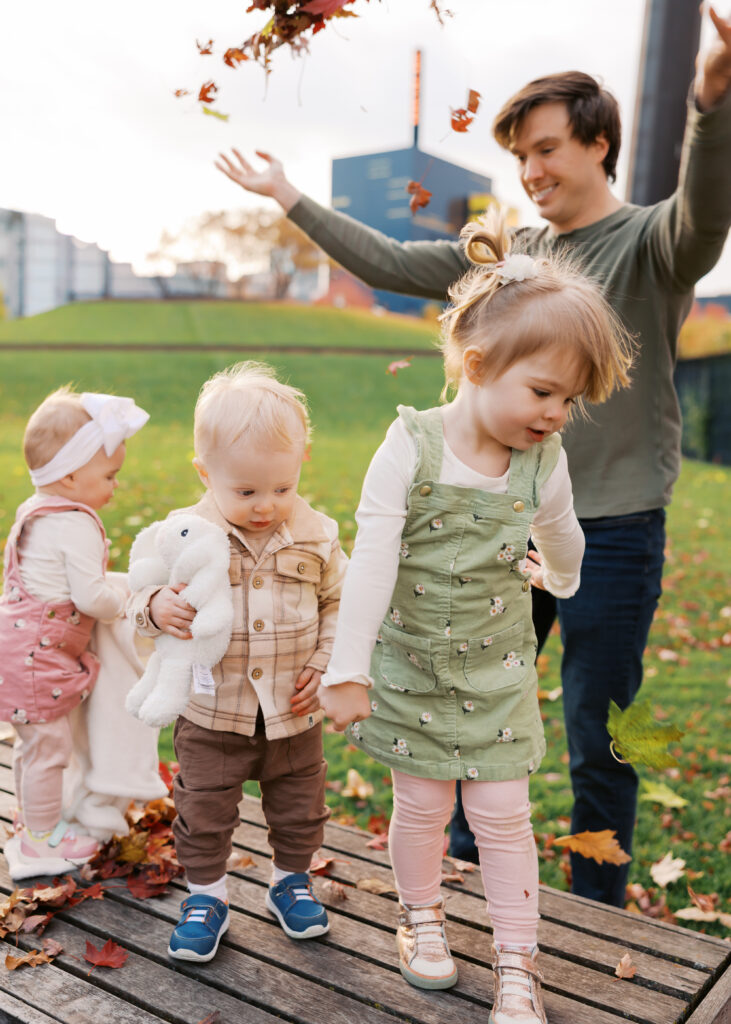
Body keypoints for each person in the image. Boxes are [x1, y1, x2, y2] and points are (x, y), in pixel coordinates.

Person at [215, 10, 731, 906]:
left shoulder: (650, 242)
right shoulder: (513, 258)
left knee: (598, 730)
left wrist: (710, 102)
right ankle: (454, 882)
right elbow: (391, 260)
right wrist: (290, 197)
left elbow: (706, 213)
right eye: (518, 156)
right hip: (494, 526)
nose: (529, 172)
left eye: (544, 149)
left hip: (610, 531)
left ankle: (595, 912)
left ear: (598, 144)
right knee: (466, 706)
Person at [316, 210, 632, 1023]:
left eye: (568, 399)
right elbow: (373, 558)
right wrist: (346, 670)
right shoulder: (410, 448)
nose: (556, 413)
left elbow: (563, 535)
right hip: (411, 664)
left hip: (494, 675)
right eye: (542, 392)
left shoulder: (543, 461)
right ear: (478, 362)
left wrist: (556, 578)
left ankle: (516, 964)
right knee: (421, 807)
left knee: (502, 815)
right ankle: (420, 917)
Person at [128, 362, 347, 964]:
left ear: (300, 463)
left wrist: (326, 662)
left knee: (300, 807)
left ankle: (290, 883)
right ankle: (207, 898)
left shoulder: (317, 536)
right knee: (203, 811)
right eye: (246, 492)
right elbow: (137, 594)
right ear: (205, 473)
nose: (266, 506)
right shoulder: (181, 536)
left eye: (282, 487)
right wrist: (154, 606)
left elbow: (339, 603)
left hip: (291, 710)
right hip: (211, 710)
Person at [0, 387, 149, 877]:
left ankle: (33, 822)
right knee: (51, 749)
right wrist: (126, 600)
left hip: (14, 652)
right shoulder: (76, 525)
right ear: (69, 475)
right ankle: (41, 842)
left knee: (33, 745)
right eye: (109, 476)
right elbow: (92, 598)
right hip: (39, 664)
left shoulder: (34, 511)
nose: (116, 486)